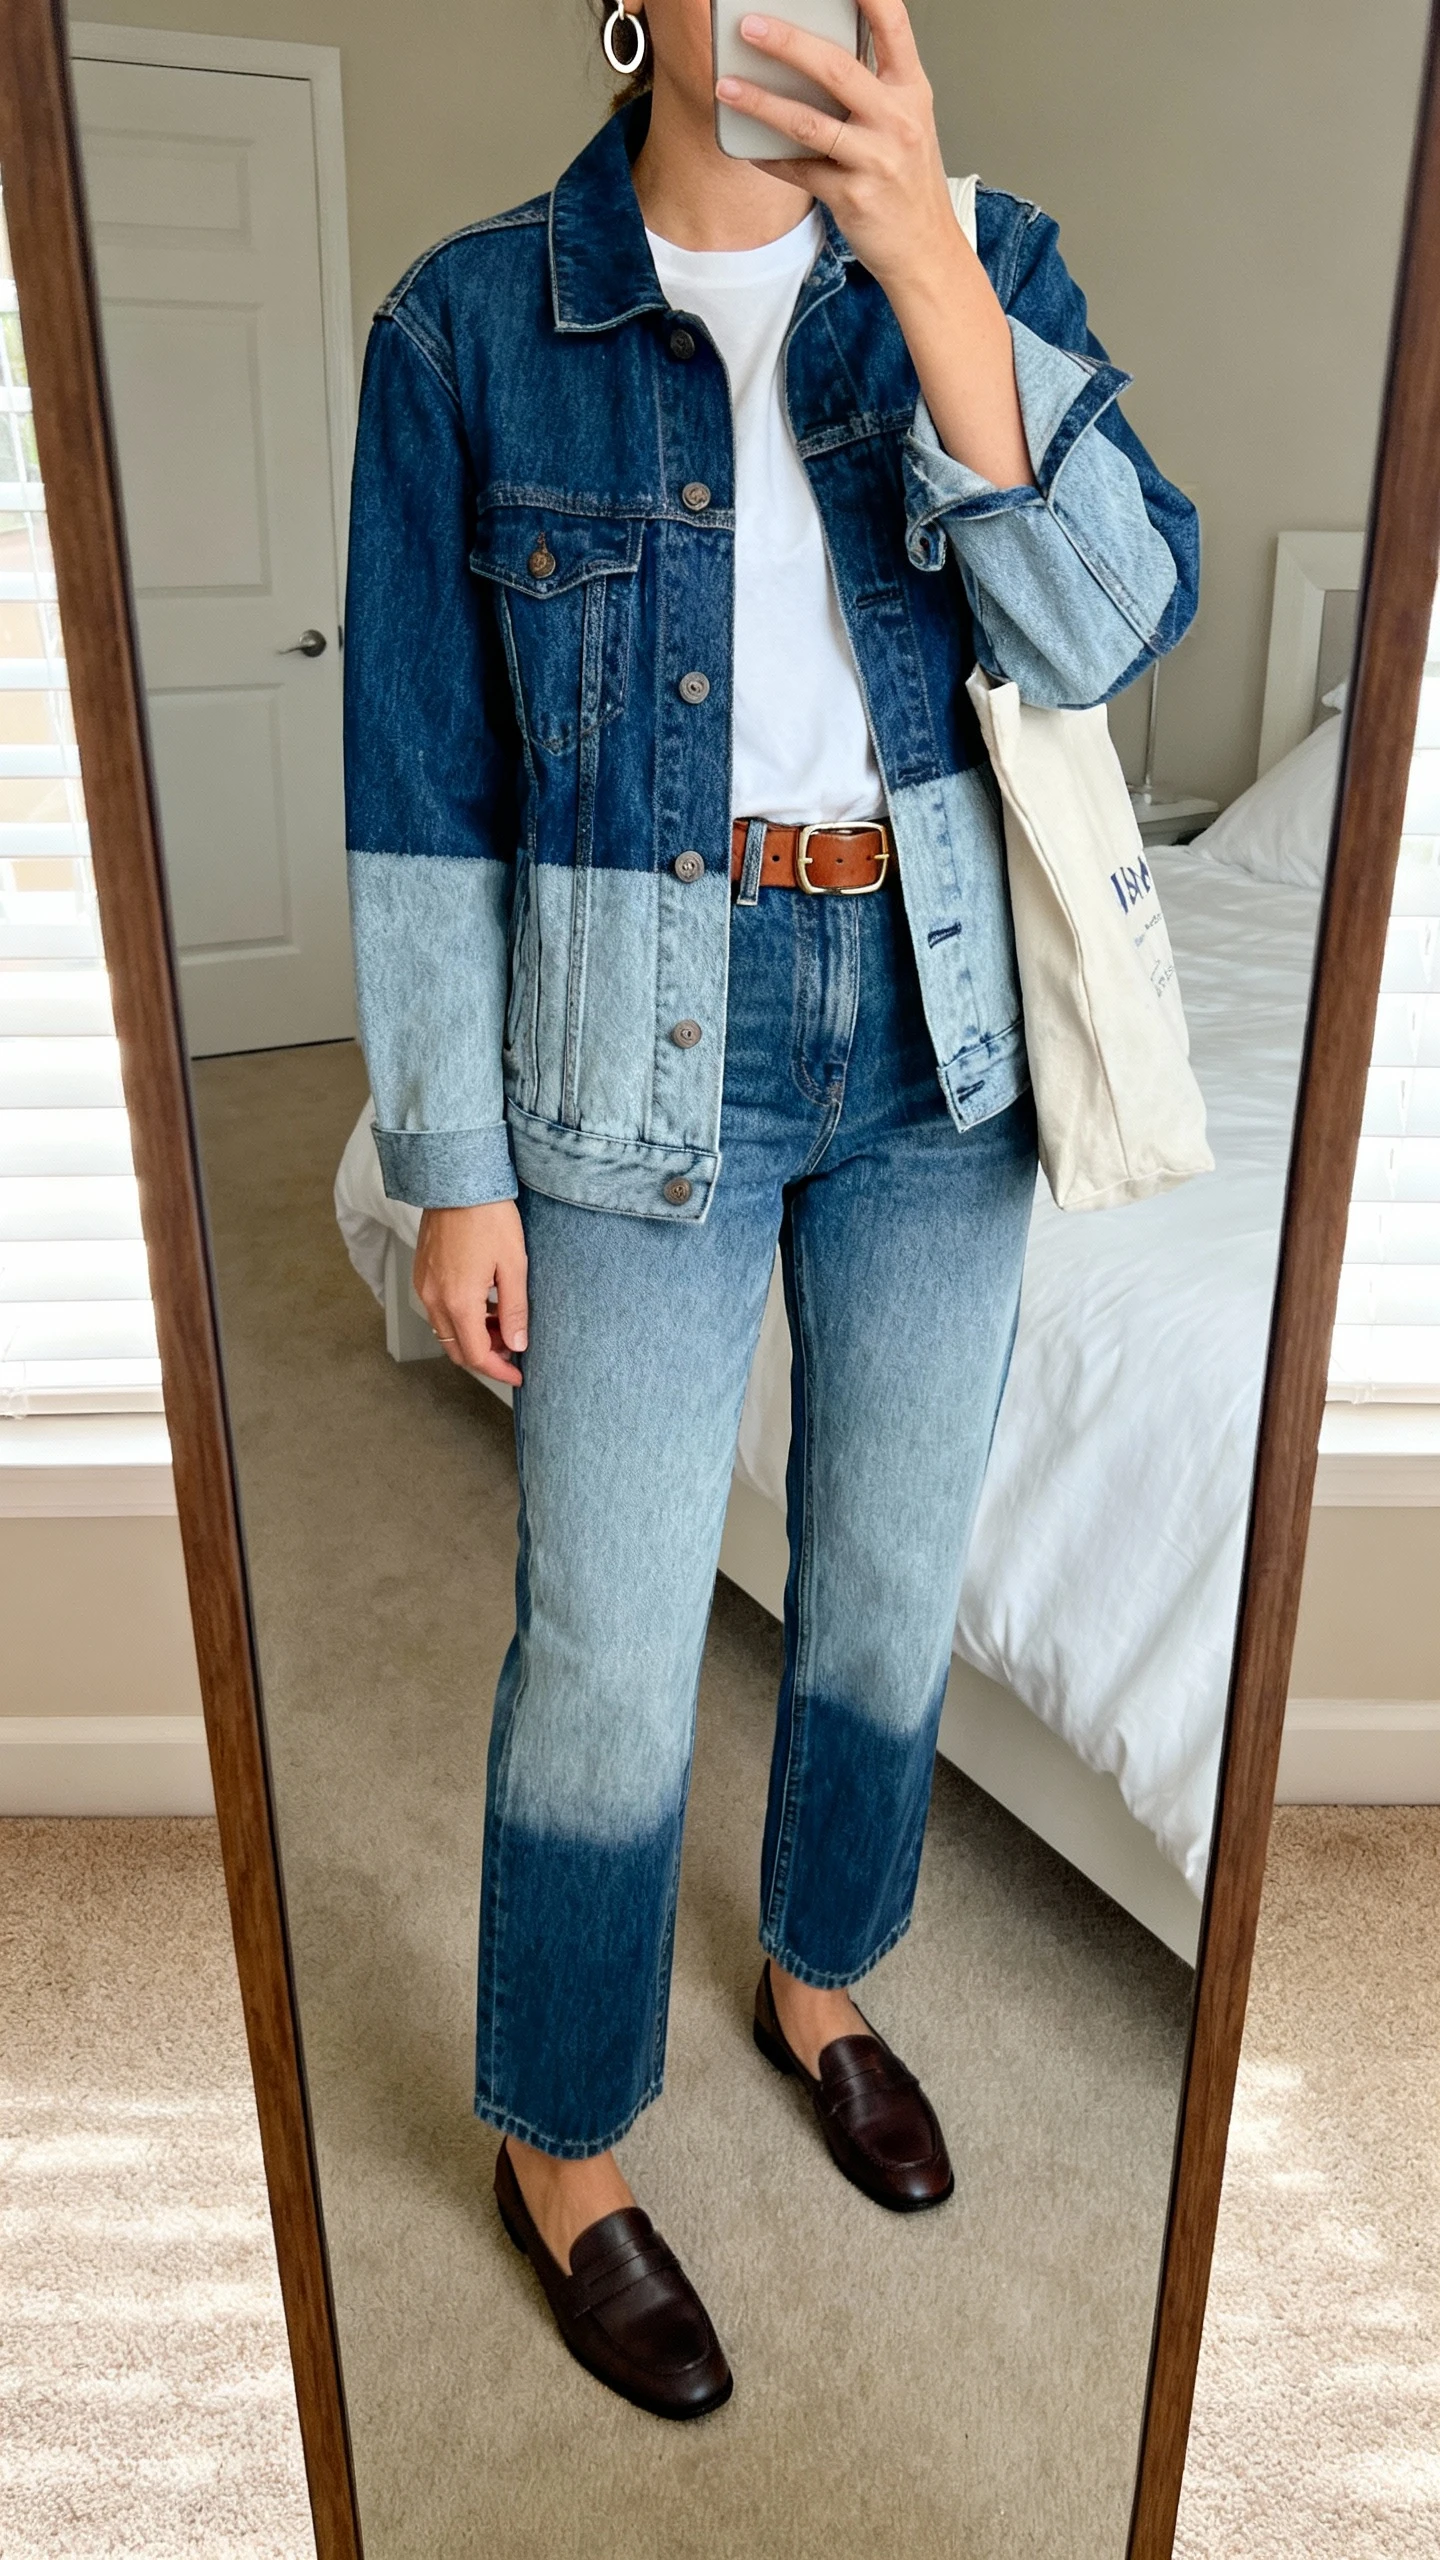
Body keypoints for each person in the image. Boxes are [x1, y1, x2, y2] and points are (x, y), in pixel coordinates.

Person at [342, 0, 1197, 2421]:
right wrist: (451, 1160)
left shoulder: (989, 256)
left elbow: (1118, 625)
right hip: (632, 1047)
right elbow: (424, 785)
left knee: (893, 1574)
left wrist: (933, 276)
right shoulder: (466, 323)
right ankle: (568, 2137)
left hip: (945, 1033)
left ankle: (822, 1981)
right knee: (608, 1636)